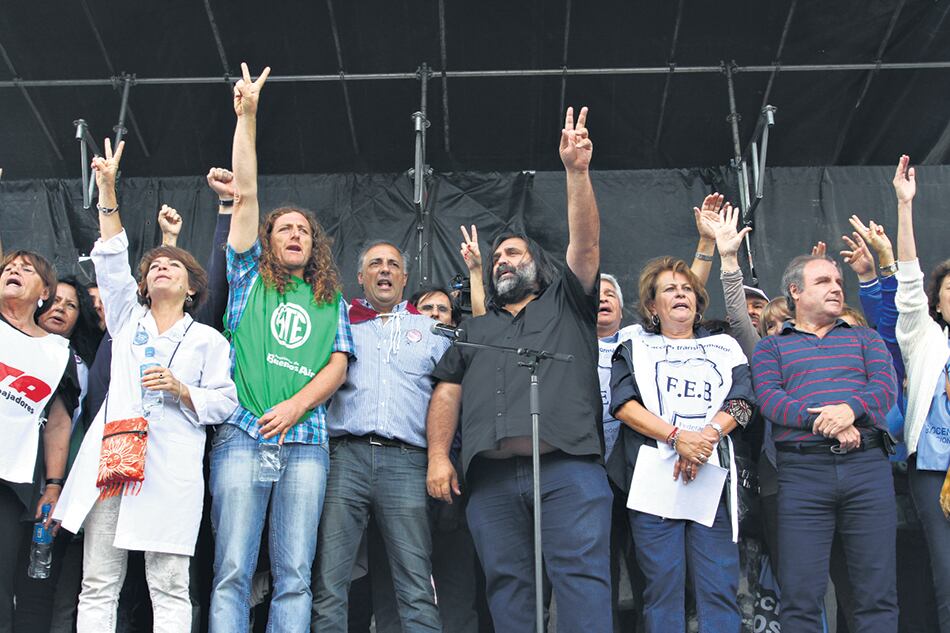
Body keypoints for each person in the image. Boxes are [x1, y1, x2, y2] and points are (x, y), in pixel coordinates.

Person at [426, 106, 613, 633]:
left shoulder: (567, 305)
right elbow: (446, 393)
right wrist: (440, 457)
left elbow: (587, 244)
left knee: (581, 588)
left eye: (514, 252)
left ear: (538, 264)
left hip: (568, 470)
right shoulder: (474, 329)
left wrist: (577, 171)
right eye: (497, 256)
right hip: (491, 481)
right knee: (508, 595)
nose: (503, 259)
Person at [52, 137, 238, 633]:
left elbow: (225, 402)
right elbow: (111, 260)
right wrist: (108, 191)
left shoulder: (207, 340)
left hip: (170, 467)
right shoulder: (126, 320)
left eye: (172, 263)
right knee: (98, 582)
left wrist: (181, 390)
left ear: (192, 287)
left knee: (171, 584)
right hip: (114, 459)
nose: (161, 266)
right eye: (154, 264)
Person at [209, 63, 354, 633]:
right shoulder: (248, 276)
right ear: (266, 241)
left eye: (304, 230)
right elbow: (244, 197)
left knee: (295, 574)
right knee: (232, 572)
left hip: (308, 442)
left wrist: (297, 407)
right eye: (284, 228)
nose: (296, 234)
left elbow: (339, 365)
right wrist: (247, 118)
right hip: (244, 433)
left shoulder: (332, 299)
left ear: (314, 244)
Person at [751, 253, 898, 632]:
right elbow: (769, 398)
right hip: (803, 474)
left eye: (838, 281)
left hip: (867, 468)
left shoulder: (864, 338)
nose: (836, 287)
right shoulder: (771, 348)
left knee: (876, 593)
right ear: (795, 292)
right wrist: (827, 421)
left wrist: (850, 410)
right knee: (800, 596)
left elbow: (885, 386)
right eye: (823, 281)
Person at [606, 256, 754, 633]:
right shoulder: (634, 347)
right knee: (662, 591)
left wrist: (704, 439)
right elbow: (623, 405)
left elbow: (743, 402)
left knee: (719, 588)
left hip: (713, 480)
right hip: (655, 482)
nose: (681, 294)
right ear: (653, 307)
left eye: (687, 288)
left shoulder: (725, 346)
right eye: (670, 289)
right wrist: (677, 438)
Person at [312, 240, 449, 632]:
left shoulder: (434, 330)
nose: (385, 270)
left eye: (393, 265)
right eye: (375, 264)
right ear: (361, 277)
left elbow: (454, 388)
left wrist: (442, 457)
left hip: (407, 460)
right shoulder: (338, 322)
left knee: (416, 584)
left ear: (405, 278)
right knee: (329, 582)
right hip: (344, 457)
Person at [0, 250, 77, 633]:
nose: (14, 270)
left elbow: (58, 424)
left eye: (26, 269)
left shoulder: (57, 352)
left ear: (44, 291)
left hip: (10, 483)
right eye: (9, 267)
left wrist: (53, 485)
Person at [893, 153, 950, 632]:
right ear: (938, 301)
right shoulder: (925, 337)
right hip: (935, 469)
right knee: (947, 574)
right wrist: (904, 205)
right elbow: (908, 279)